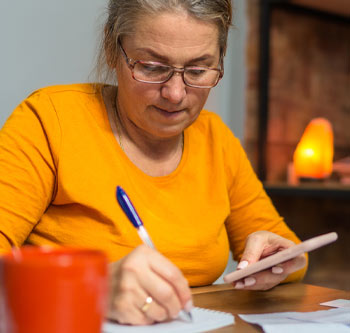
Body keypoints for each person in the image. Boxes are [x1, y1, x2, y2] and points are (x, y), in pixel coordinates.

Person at [0, 0, 307, 326]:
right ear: (111, 49)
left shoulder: (215, 139)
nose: (175, 93)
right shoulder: (50, 121)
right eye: (152, 67)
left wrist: (281, 259)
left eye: (198, 70)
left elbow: (291, 255)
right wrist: (94, 287)